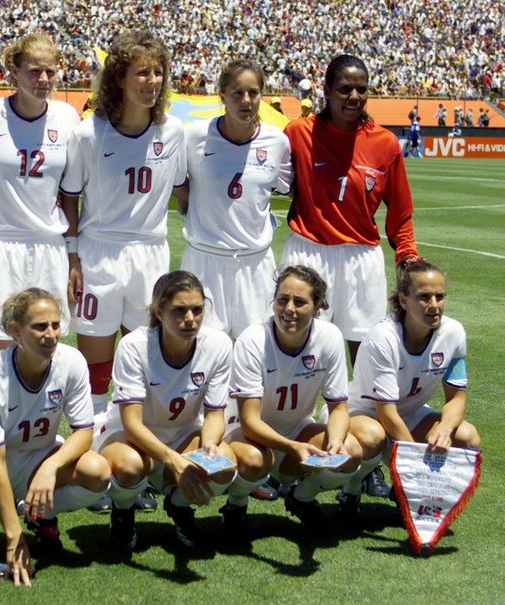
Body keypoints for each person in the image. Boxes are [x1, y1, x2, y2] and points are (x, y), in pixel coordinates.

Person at [59, 30, 186, 513]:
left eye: (157, 72)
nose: (151, 82)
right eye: (141, 72)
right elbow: (69, 196)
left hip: (150, 254)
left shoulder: (172, 133)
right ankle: (94, 469)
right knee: (97, 368)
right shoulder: (90, 133)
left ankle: (139, 465)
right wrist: (72, 254)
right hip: (100, 252)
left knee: (142, 368)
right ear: (119, 78)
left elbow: (182, 189)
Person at [0, 288, 109, 586]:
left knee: (97, 471)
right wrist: (13, 537)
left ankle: (39, 513)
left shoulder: (71, 362)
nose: (51, 334)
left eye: (56, 325)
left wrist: (50, 468)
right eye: (40, 326)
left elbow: (83, 431)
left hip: (37, 457)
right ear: (15, 330)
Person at [281, 54, 418, 366]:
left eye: (362, 89)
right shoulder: (298, 133)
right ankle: (299, 414)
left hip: (361, 258)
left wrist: (407, 255)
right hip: (309, 252)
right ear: (327, 90)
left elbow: (400, 211)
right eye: (344, 89)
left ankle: (365, 411)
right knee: (302, 348)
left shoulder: (385, 143)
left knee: (366, 351)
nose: (354, 97)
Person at [93, 271, 236, 549]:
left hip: (184, 432)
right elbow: (132, 423)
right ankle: (123, 512)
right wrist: (173, 460)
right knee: (130, 466)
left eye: (197, 310)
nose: (190, 318)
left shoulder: (218, 345)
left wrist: (208, 446)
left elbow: (216, 415)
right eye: (179, 310)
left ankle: (178, 505)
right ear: (159, 312)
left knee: (225, 465)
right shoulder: (135, 345)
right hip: (128, 435)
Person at [0, 33, 80, 358]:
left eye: (50, 72)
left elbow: (71, 192)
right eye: (34, 71)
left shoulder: (68, 118)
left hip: (48, 245)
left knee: (45, 349)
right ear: (14, 71)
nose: (43, 80)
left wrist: (72, 255)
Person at [224, 265, 363, 529]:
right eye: (282, 300)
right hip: (246, 435)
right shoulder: (253, 340)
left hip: (297, 430)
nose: (289, 309)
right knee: (255, 460)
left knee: (351, 452)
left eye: (300, 302)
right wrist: (293, 448)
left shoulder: (329, 336)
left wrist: (334, 442)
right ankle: (236, 502)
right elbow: (250, 421)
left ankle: (302, 497)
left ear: (318, 306)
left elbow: (338, 408)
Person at [338, 259, 481, 512]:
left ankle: (415, 496)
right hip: (363, 413)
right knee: (374, 436)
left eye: (440, 296)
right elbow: (386, 413)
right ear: (404, 300)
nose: (434, 305)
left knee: (467, 437)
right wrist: (416, 464)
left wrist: (446, 430)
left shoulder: (454, 333)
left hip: (411, 413)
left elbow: (457, 397)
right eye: (424, 297)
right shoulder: (383, 338)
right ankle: (350, 491)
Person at [176, 60, 292, 339]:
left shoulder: (277, 142)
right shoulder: (193, 136)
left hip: (255, 264)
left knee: (254, 353)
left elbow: (287, 187)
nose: (246, 100)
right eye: (237, 93)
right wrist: (201, 205)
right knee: (201, 353)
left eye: (253, 92)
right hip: (205, 259)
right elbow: (177, 183)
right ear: (222, 96)